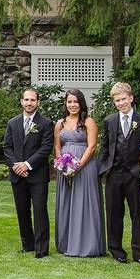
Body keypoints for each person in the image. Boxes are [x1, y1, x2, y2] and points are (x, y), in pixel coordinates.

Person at [99, 82, 140, 264]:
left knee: (137, 213)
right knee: (114, 213)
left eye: (123, 99)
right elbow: (105, 147)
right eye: (117, 101)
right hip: (114, 173)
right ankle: (116, 250)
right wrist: (102, 169)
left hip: (134, 173)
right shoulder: (109, 121)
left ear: (131, 98)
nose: (121, 103)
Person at [2, 88, 54, 259]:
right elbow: (7, 147)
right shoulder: (13, 123)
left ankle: (41, 248)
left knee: (39, 211)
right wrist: (16, 166)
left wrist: (27, 164)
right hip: (18, 175)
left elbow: (46, 148)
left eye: (32, 100)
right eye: (26, 100)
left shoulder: (46, 123)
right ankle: (28, 244)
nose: (29, 103)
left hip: (37, 175)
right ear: (21, 101)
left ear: (38, 102)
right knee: (22, 211)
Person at [53, 89, 105, 257]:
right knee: (67, 203)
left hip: (86, 167)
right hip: (65, 169)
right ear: (65, 104)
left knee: (84, 202)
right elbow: (57, 146)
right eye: (69, 102)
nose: (72, 105)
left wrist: (78, 166)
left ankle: (86, 245)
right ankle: (67, 242)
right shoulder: (60, 123)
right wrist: (62, 165)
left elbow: (92, 146)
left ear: (81, 103)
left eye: (76, 102)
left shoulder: (88, 122)